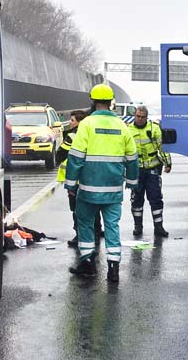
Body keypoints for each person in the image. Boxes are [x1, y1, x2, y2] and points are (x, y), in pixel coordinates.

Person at [65, 84, 138, 282]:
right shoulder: (122, 125)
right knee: (112, 226)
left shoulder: (87, 124)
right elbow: (132, 157)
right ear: (111, 102)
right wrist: (131, 182)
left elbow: (76, 157)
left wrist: (70, 183)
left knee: (86, 224)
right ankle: (113, 268)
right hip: (113, 188)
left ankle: (87, 264)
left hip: (88, 188)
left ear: (93, 101)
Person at [57, 110, 102, 248]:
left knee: (77, 209)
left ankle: (79, 235)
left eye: (72, 120)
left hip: (75, 180)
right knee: (93, 206)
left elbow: (60, 155)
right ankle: (96, 231)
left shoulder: (71, 136)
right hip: (91, 177)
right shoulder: (93, 135)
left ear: (80, 122)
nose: (70, 123)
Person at [126, 105, 172, 238]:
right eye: (137, 116)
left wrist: (168, 163)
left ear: (147, 117)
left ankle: (159, 227)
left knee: (156, 199)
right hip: (136, 170)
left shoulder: (154, 128)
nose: (140, 119)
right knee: (136, 200)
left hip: (152, 169)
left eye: (142, 117)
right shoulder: (128, 130)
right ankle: (138, 226)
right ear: (134, 116)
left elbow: (162, 148)